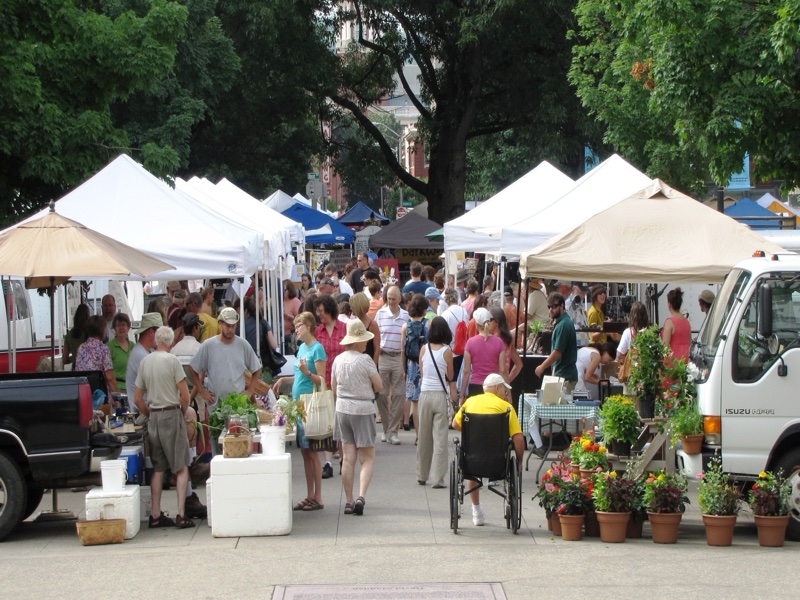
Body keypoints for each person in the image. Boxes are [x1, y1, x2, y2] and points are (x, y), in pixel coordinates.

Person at [133, 326, 195, 529]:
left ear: (156, 340)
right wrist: (183, 411)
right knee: (181, 466)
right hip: (171, 414)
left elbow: (137, 398)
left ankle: (156, 514)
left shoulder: (145, 362)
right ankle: (180, 513)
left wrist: (149, 414)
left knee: (158, 469)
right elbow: (184, 395)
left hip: (154, 417)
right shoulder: (172, 361)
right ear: (171, 343)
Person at [451, 373, 524, 527]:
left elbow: (455, 425)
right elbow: (518, 439)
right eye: (504, 390)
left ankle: (476, 511)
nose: (505, 394)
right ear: (497, 388)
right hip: (498, 463)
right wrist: (519, 460)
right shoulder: (507, 408)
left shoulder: (469, 403)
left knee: (469, 454)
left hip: (472, 462)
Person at [272, 311, 327, 512]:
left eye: (299, 325)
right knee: (305, 452)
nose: (296, 329)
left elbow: (322, 380)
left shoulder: (317, 349)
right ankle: (310, 494)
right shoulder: (302, 348)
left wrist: (307, 372)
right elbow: (299, 377)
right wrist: (284, 380)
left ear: (310, 326)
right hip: (299, 405)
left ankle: (318, 496)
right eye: (295, 326)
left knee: (312, 452)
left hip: (310, 404)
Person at [331, 319, 383, 516]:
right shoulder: (366, 361)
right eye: (364, 340)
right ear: (358, 341)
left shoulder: (338, 360)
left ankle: (349, 500)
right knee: (367, 457)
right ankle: (361, 496)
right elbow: (379, 386)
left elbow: (334, 387)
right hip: (363, 409)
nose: (366, 343)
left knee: (348, 458)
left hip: (343, 408)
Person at [189, 307, 261, 412]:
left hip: (238, 407)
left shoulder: (243, 345)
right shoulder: (209, 345)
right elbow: (193, 368)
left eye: (233, 326)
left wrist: (250, 390)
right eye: (228, 326)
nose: (230, 329)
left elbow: (257, 369)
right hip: (215, 407)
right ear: (220, 323)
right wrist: (202, 391)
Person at [416, 316, 456, 488]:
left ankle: (421, 474)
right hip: (440, 395)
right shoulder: (447, 351)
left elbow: (422, 371)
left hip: (425, 394)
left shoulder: (424, 349)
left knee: (424, 437)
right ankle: (438, 478)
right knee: (440, 438)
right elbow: (451, 378)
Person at [314, 294, 347, 478]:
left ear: (329, 310)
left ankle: (343, 458)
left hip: (341, 381)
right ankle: (327, 462)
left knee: (340, 423)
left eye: (321, 311)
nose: (319, 314)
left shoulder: (344, 329)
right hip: (324, 381)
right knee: (327, 424)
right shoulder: (318, 332)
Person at [374, 285, 409, 445]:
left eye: (394, 298)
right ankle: (388, 429)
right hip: (383, 356)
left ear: (399, 299)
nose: (391, 301)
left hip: (398, 358)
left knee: (398, 394)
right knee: (380, 394)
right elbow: (375, 338)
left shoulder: (406, 316)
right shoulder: (380, 314)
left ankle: (393, 431)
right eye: (388, 298)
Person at [460, 308, 507, 401]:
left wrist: (462, 395)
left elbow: (466, 371)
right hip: (494, 386)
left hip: (475, 386)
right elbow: (502, 370)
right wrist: (507, 393)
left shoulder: (470, 343)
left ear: (476, 323)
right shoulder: (499, 342)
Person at [535, 292, 578, 391]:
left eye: (554, 306)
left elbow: (557, 352)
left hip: (565, 375)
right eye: (549, 307)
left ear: (562, 306)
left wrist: (542, 366)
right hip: (563, 374)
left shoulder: (563, 325)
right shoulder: (562, 323)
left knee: (560, 405)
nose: (551, 309)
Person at [400, 294, 429, 438]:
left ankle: (418, 436)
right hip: (424, 366)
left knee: (415, 404)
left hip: (411, 367)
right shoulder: (427, 324)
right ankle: (424, 435)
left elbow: (402, 350)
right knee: (424, 403)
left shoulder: (406, 326)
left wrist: (403, 369)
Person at [126, 313, 162, 414]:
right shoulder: (141, 355)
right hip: (140, 412)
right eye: (159, 333)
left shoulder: (145, 351)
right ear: (151, 332)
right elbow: (157, 386)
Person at [75, 315, 118, 395]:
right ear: (102, 330)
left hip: (83, 393)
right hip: (99, 395)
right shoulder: (103, 348)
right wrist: (117, 397)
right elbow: (110, 377)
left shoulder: (81, 348)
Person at [490, 306, 522, 384]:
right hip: (502, 383)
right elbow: (519, 364)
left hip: (493, 383)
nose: (487, 322)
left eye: (489, 320)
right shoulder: (507, 339)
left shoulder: (493, 340)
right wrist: (507, 381)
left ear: (496, 322)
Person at [442, 287, 469, 375]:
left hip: (451, 352)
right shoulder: (464, 311)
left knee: (451, 382)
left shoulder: (445, 315)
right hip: (464, 351)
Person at [349, 292, 381, 366]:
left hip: (369, 363)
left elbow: (377, 349)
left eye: (352, 306)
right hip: (356, 364)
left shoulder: (372, 324)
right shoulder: (353, 323)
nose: (350, 308)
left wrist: (373, 366)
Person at [662, 287, 691, 361]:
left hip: (673, 360)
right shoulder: (686, 322)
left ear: (669, 304)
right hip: (685, 359)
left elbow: (665, 346)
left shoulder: (669, 322)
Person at [107, 313, 132, 393]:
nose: (121, 328)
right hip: (117, 390)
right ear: (114, 328)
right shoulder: (109, 347)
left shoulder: (134, 346)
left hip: (133, 388)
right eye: (118, 325)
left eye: (123, 325)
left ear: (128, 327)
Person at [63, 303, 90, 368]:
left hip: (76, 368)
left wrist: (74, 357)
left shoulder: (69, 335)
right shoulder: (90, 332)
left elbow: (64, 360)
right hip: (89, 368)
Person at [283, 280, 302, 352]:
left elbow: (299, 319)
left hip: (290, 336)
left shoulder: (295, 301)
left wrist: (286, 315)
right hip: (280, 335)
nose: (283, 292)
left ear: (289, 289)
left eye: (284, 290)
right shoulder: (280, 301)